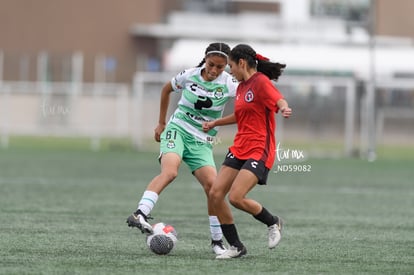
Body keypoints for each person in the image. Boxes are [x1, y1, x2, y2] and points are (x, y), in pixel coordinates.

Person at [126, 42, 238, 255]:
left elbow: (246, 104)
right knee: (170, 172)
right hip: (177, 129)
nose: (214, 70)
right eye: (211, 64)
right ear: (205, 59)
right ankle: (140, 213)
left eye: (220, 67)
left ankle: (217, 242)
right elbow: (166, 89)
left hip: (202, 141)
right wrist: (161, 123)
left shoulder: (230, 84)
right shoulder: (189, 75)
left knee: (214, 189)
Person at [202, 44, 292, 259]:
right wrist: (217, 122)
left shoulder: (260, 81)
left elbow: (278, 98)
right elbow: (240, 115)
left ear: (241, 63)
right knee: (215, 194)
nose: (229, 71)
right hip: (240, 147)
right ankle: (236, 246)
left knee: (236, 197)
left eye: (230, 66)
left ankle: (273, 222)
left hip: (259, 148)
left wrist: (283, 107)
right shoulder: (241, 86)